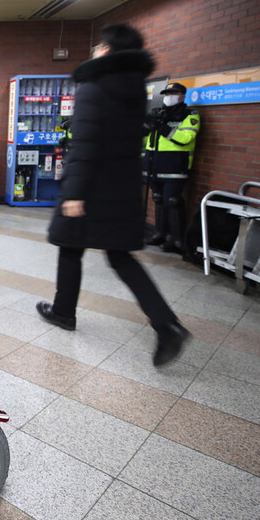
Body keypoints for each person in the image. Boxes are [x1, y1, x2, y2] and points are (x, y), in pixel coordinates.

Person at [36, 24, 190, 367]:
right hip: (121, 186)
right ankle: (167, 325)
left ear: (107, 50)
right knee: (120, 257)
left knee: (70, 247)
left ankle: (63, 311)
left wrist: (74, 193)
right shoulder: (135, 88)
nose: (94, 51)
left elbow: (86, 141)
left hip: (90, 186)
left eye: (99, 46)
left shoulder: (94, 86)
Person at [143, 82, 200, 253]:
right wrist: (148, 123)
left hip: (175, 165)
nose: (169, 97)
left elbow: (185, 137)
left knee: (172, 201)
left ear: (182, 95)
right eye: (167, 93)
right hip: (155, 163)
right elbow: (148, 140)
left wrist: (162, 127)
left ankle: (178, 239)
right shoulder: (160, 113)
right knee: (158, 198)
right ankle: (161, 233)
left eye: (173, 93)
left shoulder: (190, 115)